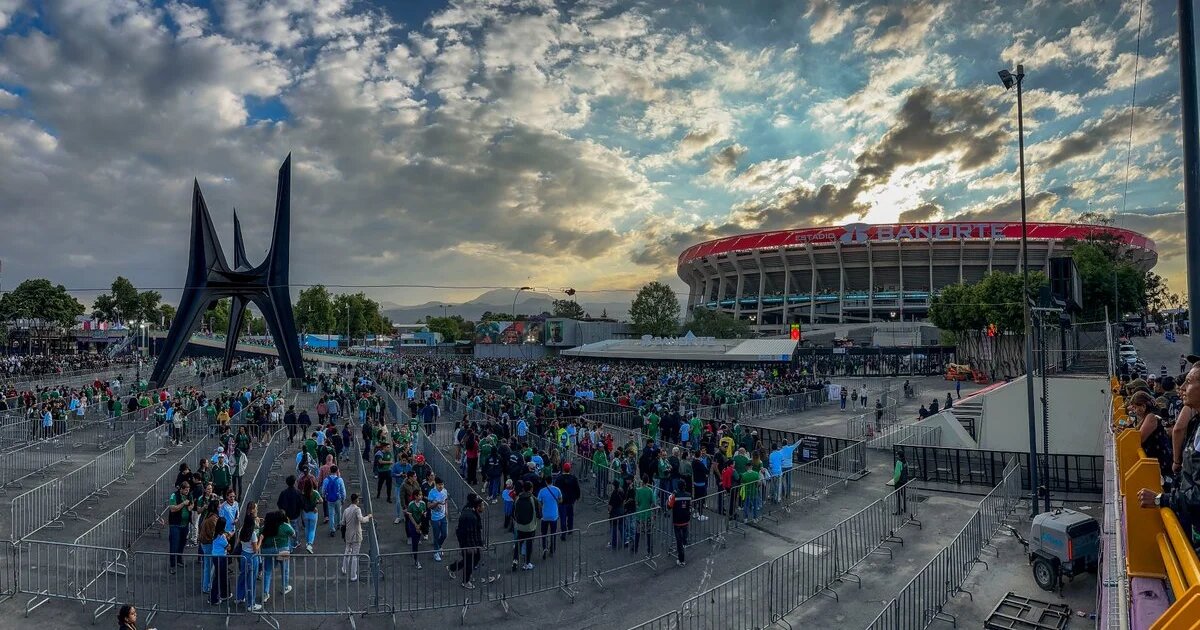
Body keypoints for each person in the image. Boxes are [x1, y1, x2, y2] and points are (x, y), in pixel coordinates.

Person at [447, 495, 488, 588]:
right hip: (468, 543)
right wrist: (472, 546)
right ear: (477, 507)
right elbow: (471, 533)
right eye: (482, 506)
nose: (484, 507)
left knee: (472, 559)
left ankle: (453, 568)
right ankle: (465, 581)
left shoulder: (472, 513)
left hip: (470, 542)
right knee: (470, 560)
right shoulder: (471, 517)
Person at [259, 510, 294, 603]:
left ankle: (265, 593)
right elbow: (293, 534)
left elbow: (259, 535)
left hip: (268, 550)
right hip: (282, 549)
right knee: (285, 569)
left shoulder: (264, 528)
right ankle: (285, 586)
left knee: (267, 571)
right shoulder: (284, 526)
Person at [235, 506, 263, 612]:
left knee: (242, 576)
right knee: (252, 580)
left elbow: (239, 541)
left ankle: (239, 597)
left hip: (243, 554)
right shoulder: (253, 534)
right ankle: (251, 603)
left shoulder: (242, 530)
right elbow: (256, 549)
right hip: (251, 557)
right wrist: (260, 540)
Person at [341, 493, 372, 581]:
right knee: (355, 555)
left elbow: (343, 522)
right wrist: (368, 517)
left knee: (347, 551)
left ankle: (344, 568)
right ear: (357, 500)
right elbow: (361, 519)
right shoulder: (357, 509)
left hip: (348, 534)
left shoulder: (346, 510)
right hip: (356, 535)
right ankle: (353, 575)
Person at [167, 480, 193, 573]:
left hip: (185, 524)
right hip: (175, 524)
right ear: (181, 489)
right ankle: (172, 565)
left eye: (188, 490)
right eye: (186, 490)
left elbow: (191, 505)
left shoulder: (189, 495)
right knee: (174, 544)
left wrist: (190, 506)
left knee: (182, 543)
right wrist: (183, 504)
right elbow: (172, 508)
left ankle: (179, 559)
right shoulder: (174, 495)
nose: (187, 492)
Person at [511, 481, 538, 570]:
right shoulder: (533, 499)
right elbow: (539, 513)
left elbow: (513, 512)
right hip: (530, 527)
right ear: (531, 489)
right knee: (529, 545)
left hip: (519, 526)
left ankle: (515, 560)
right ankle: (527, 563)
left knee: (518, 543)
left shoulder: (518, 498)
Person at [209, 516, 233, 604]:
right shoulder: (222, 536)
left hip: (215, 556)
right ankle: (213, 598)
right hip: (221, 557)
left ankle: (224, 594)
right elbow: (228, 547)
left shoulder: (215, 533)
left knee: (221, 576)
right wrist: (228, 540)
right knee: (219, 577)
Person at [668, 480, 692, 566]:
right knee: (684, 536)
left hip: (677, 521)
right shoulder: (689, 495)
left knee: (679, 542)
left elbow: (669, 506)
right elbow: (689, 506)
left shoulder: (675, 496)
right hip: (685, 520)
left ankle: (681, 560)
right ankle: (685, 542)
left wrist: (671, 496)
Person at [537, 478, 562, 557]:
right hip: (554, 515)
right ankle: (552, 549)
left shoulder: (542, 491)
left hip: (545, 516)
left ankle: (544, 547)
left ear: (545, 482)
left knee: (544, 533)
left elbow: (539, 502)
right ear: (552, 481)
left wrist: (541, 509)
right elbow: (560, 500)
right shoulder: (557, 489)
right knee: (553, 533)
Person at [427, 477, 449, 562]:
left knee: (444, 534)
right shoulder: (432, 493)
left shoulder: (445, 491)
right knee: (436, 535)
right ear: (436, 484)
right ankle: (436, 552)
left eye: (442, 484)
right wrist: (437, 503)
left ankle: (438, 546)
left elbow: (446, 500)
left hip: (443, 516)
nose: (441, 486)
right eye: (439, 485)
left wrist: (446, 510)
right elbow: (429, 506)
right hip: (435, 518)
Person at [404, 489, 427, 568]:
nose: (421, 496)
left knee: (417, 540)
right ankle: (416, 559)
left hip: (420, 523)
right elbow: (410, 516)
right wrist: (416, 525)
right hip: (413, 524)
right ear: (415, 496)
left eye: (421, 495)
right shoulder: (411, 504)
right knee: (415, 541)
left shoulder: (423, 503)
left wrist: (420, 525)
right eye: (419, 495)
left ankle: (414, 552)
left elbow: (423, 515)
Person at [322, 465, 346, 537]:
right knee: (338, 512)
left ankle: (332, 529)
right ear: (336, 471)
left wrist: (324, 496)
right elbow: (343, 490)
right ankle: (338, 524)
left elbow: (323, 490)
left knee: (331, 514)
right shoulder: (340, 480)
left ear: (330, 471)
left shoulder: (326, 480)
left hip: (329, 499)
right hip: (338, 498)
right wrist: (343, 499)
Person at [893, 450, 910, 515]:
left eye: (897, 455)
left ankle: (899, 510)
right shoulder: (905, 462)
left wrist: (895, 481)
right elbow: (908, 471)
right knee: (903, 494)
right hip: (904, 481)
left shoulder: (898, 462)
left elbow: (897, 474)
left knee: (898, 496)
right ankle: (904, 508)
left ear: (899, 456)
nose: (896, 456)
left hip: (899, 482)